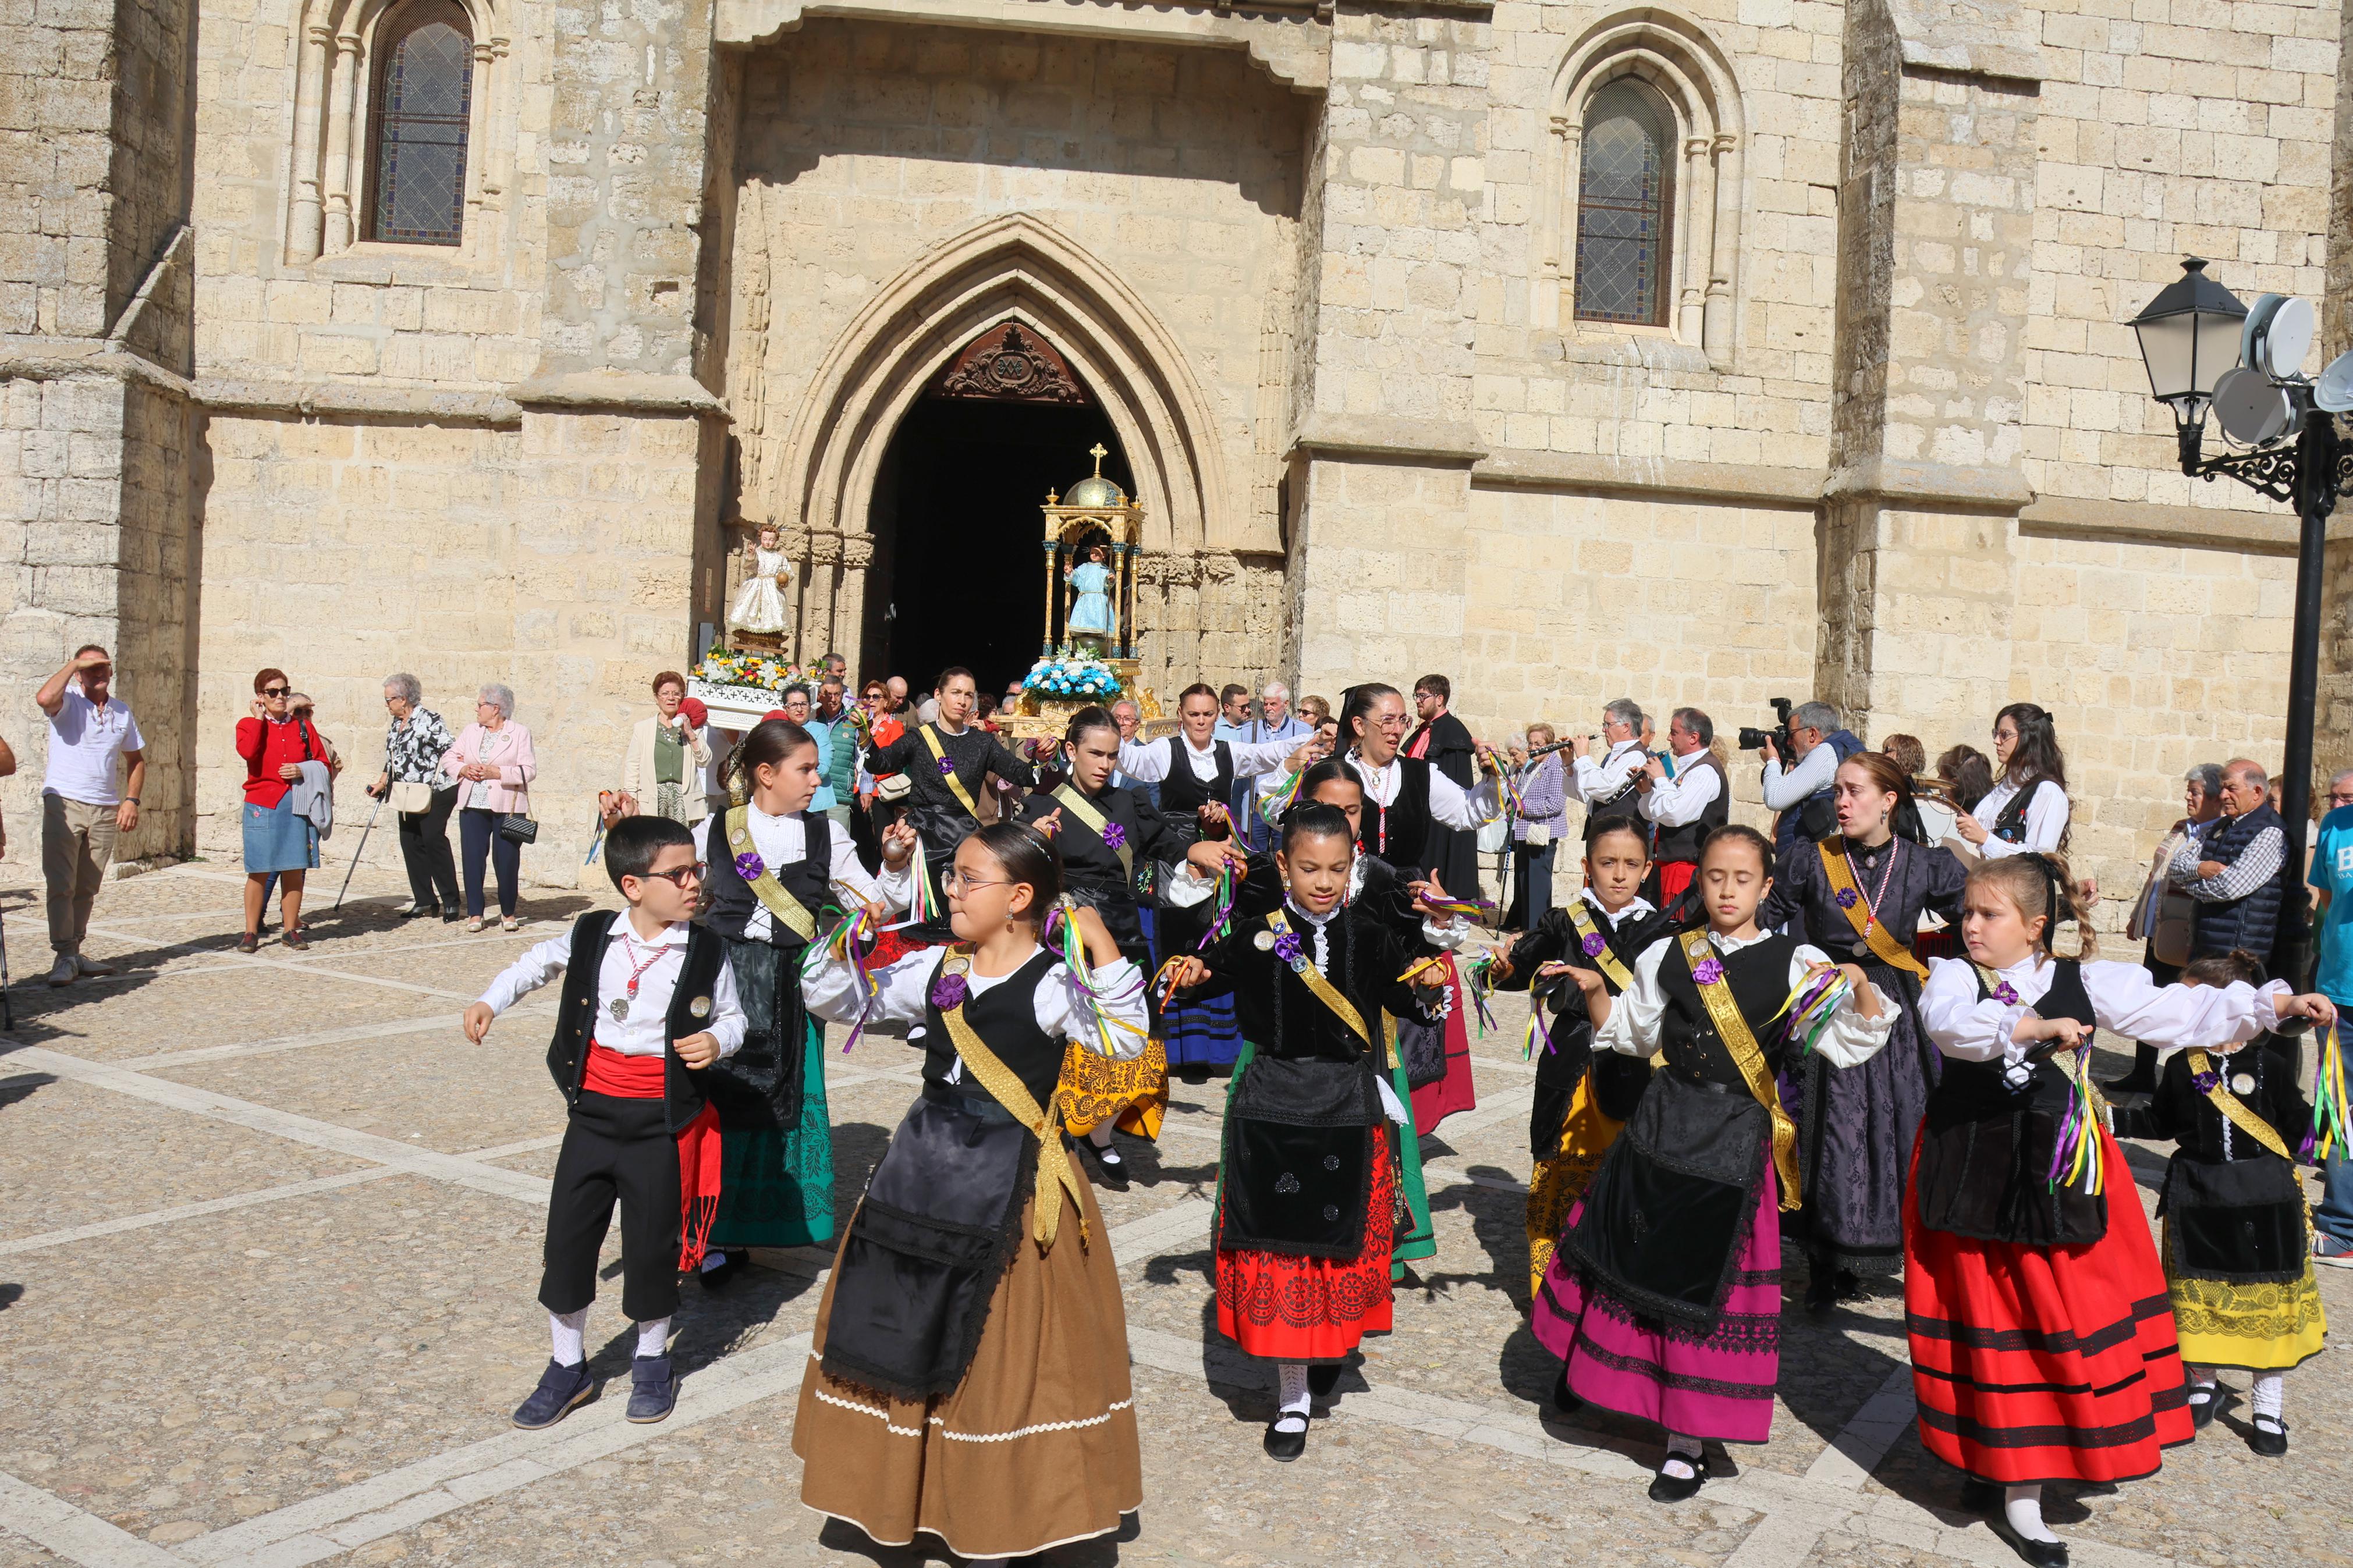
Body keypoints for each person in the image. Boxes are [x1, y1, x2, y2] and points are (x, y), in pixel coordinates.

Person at [1908, 855, 2327, 1566]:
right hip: (1972, 1161)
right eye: (1967, 913)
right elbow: (1948, 1025)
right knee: (1982, 1316)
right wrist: (2029, 1028)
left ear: (2035, 926)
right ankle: (1995, 1467)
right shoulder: (1956, 975)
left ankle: (2023, 1480)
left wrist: (2275, 1006)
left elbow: (2181, 1009)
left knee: (2054, 1315)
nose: (1969, 925)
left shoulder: (2086, 979)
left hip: (2056, 1167)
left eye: (1988, 914)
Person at [793, 823, 1146, 1560]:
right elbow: (826, 995)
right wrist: (854, 935)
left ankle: (1001, 1497)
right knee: (900, 1326)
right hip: (920, 1174)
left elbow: (1124, 1040)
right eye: (950, 876)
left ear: (1019, 898)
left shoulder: (1053, 982)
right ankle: (904, 1490)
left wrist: (1101, 942)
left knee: (1002, 1348)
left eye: (966, 879)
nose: (950, 889)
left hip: (1009, 1184)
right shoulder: (934, 967)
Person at [1531, 826, 1890, 1502]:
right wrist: (1591, 988)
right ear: (1698, 881)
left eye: (1742, 879)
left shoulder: (1794, 960)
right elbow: (1632, 1036)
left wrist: (1861, 982)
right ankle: (1588, 1374)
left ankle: (1685, 1443)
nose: (1727, 890)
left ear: (1766, 885)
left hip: (1733, 1143)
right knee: (1622, 1261)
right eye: (1715, 877)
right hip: (1661, 1129)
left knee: (1700, 1293)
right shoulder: (1669, 951)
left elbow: (1852, 1043)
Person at [1166, 803, 1446, 1461]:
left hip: (1346, 1109)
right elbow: (1213, 977)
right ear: (1284, 866)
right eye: (1308, 867)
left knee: (1338, 1247)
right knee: (1281, 1252)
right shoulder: (1254, 930)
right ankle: (1291, 1396)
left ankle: (1327, 1346)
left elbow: (1414, 1003)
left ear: (1352, 867)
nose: (1323, 881)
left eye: (1337, 868)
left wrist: (1434, 960)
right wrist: (1193, 973)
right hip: (1271, 1107)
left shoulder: (1371, 933)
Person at [464, 815, 746, 1431]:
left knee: (652, 1247)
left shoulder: (704, 948)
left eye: (696, 869)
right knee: (567, 1241)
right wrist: (491, 999)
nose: (694, 882)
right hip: (591, 1116)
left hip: (659, 1121)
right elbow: (537, 961)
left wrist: (717, 1041)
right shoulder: (595, 934)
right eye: (679, 873)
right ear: (633, 885)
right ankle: (568, 1367)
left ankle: (650, 1361)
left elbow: (734, 1016)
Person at [691, 719, 915, 1285]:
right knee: (721, 1102)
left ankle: (770, 1218)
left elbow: (873, 908)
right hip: (724, 984)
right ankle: (712, 1232)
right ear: (765, 774)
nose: (818, 779)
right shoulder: (714, 829)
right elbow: (673, 887)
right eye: (806, 769)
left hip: (792, 989)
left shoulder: (827, 836)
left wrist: (891, 867)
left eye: (817, 768)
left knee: (782, 1104)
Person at [1762, 752, 1968, 1313]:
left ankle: (1880, 1243)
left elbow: (1978, 917)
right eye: (1837, 792)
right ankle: (1824, 1259)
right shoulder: (1811, 858)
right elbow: (1765, 919)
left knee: (1892, 1126)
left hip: (1890, 1006)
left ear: (1889, 800)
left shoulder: (1925, 864)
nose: (1842, 802)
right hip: (1827, 999)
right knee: (1825, 1125)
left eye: (1854, 791)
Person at [2110, 948, 2329, 1458]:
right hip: (2199, 1197)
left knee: (2268, 1301)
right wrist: (2105, 1118)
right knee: (2197, 1296)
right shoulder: (2181, 1066)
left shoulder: (2271, 1065)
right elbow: (2160, 1123)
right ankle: (2202, 1383)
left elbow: (2298, 1127)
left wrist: (2329, 1125)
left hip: (2265, 1198)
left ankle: (2267, 1405)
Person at [1021, 706, 1243, 1182]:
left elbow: (1163, 840)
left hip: (1122, 927)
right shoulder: (1043, 804)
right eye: (1094, 753)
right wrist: (1032, 843)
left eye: (1112, 755)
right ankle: (1053, 1125)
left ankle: (1098, 1133)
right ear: (1070, 751)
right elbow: (1014, 869)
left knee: (1131, 1035)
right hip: (1067, 930)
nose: (1104, 763)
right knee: (1067, 1038)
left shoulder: (1129, 803)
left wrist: (1197, 847)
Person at [1494, 816, 1667, 1301]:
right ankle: (1550, 1286)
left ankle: (1615, 1284)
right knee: (1559, 1165)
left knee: (1624, 1171)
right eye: (1607, 862)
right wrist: (1503, 964)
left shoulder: (1659, 927)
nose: (1618, 874)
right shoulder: (1564, 919)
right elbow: (1521, 966)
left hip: (1631, 1064)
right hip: (1570, 1061)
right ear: (1586, 865)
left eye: (1630, 864)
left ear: (1647, 868)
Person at [1115, 682, 1324, 1076]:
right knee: (1174, 933)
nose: (1200, 721)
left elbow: (1269, 753)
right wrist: (1102, 731)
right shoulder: (1164, 750)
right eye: (1193, 714)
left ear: (1216, 715)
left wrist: (1311, 737)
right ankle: (1170, 1046)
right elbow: (1128, 760)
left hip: (1219, 852)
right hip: (1173, 852)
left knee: (1215, 934)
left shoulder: (1229, 751)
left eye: (1207, 714)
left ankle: (1210, 1046)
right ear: (1181, 714)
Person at [1337, 682, 1500, 1129]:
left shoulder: (1419, 774)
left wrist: (1491, 777)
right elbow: (1286, 817)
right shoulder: (1335, 772)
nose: (1396, 730)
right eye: (1386, 720)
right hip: (1345, 901)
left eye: (1402, 720)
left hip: (1407, 906)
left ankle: (1393, 1128)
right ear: (1358, 724)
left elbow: (1470, 812)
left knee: (1403, 1014)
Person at [860, 667, 1039, 933]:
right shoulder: (920, 738)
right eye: (955, 692)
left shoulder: (983, 742)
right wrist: (865, 735)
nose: (962, 700)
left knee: (963, 918)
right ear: (939, 695)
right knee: (921, 924)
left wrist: (1043, 757)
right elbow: (880, 762)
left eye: (969, 695)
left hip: (964, 836)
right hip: (922, 838)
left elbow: (1022, 773)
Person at [2107, 762, 2227, 1094]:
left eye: (2196, 792)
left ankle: (2194, 1082)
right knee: (2153, 998)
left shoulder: (2221, 836)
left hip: (2185, 933)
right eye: (2188, 791)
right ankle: (2143, 1072)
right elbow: (2157, 873)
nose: (2188, 798)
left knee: (2188, 1003)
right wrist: (2137, 914)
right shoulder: (2181, 828)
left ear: (2216, 798)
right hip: (2161, 930)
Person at [34, 645, 144, 984]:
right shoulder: (68, 702)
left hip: (104, 808)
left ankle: (74, 951)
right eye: (91, 668)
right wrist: (74, 664)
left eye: (103, 668)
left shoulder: (122, 712)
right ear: (80, 672)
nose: (98, 674)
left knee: (88, 886)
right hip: (64, 803)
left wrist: (131, 800)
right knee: (61, 884)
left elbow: (136, 760)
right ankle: (64, 954)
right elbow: (43, 698)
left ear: (111, 672)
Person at [2169, 758, 2292, 980]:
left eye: (2231, 788)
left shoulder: (2271, 832)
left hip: (2238, 956)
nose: (2223, 795)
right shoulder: (2221, 826)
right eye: (2223, 787)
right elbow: (2175, 866)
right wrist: (2200, 869)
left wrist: (2190, 884)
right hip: (2205, 947)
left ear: (2256, 792)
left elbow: (2228, 888)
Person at [236, 668, 331, 954]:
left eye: (284, 691)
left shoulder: (303, 728)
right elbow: (248, 753)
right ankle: (251, 931)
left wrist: (301, 769)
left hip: (297, 804)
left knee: (294, 868)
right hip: (262, 804)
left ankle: (290, 929)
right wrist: (257, 720)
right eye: (273, 692)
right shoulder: (247, 725)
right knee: (259, 870)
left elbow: (324, 764)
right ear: (260, 697)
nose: (280, 697)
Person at [442, 683, 538, 934]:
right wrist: (463, 769)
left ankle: (508, 912)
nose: (477, 709)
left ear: (495, 709)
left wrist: (497, 773)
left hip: (507, 805)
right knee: (473, 859)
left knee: (506, 860)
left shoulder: (519, 733)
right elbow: (449, 757)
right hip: (473, 803)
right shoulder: (471, 731)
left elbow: (529, 771)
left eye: (480, 704)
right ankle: (475, 913)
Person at [2306, 770, 2353, 1267]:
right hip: (2340, 989)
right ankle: (2342, 1225)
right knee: (2340, 1107)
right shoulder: (2337, 826)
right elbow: (2325, 904)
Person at [372, 673, 461, 923]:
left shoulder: (430, 721)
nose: (386, 704)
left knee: (433, 839)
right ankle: (424, 899)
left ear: (403, 699)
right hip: (407, 793)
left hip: (437, 791)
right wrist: (381, 783)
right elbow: (392, 758)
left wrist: (437, 779)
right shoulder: (396, 723)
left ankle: (451, 901)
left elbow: (451, 751)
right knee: (410, 842)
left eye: (389, 700)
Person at [1637, 706, 1727, 906]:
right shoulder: (1689, 769)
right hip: (1672, 865)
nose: (1669, 738)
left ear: (1693, 737)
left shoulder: (1704, 771)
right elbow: (1659, 816)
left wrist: (1660, 779)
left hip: (1687, 869)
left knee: (1681, 932)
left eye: (1674, 732)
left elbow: (1675, 815)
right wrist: (1646, 791)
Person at [1957, 702, 2070, 859]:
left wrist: (1985, 839)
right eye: (1996, 733)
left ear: (2029, 738)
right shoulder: (2005, 788)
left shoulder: (2048, 792)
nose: (1997, 741)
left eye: (2005, 734)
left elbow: (2041, 857)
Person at [1406, 674, 1482, 898]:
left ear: (1439, 699)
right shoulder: (1426, 730)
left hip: (1438, 819)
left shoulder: (1452, 733)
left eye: (1423, 696)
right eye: (1416, 696)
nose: (1418, 701)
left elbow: (1451, 789)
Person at [1761, 701, 1864, 856]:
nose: (1789, 742)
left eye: (1792, 734)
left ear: (1812, 734)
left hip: (1809, 861)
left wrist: (1773, 760)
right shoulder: (1846, 747)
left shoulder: (1825, 753)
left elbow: (1774, 798)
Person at [619, 671, 711, 828]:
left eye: (676, 693)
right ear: (656, 698)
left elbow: (704, 760)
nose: (670, 698)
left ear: (682, 697)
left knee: (681, 848)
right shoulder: (642, 729)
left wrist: (689, 731)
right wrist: (632, 800)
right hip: (653, 804)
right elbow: (632, 768)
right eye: (665, 693)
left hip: (685, 804)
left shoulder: (692, 728)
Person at [1503, 724, 1567, 930]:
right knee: (1525, 881)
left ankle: (1538, 929)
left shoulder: (1556, 767)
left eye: (1538, 743)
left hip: (1543, 833)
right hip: (1525, 831)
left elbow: (1555, 804)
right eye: (1530, 743)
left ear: (1549, 745)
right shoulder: (1531, 766)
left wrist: (1523, 807)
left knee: (1538, 883)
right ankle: (1526, 926)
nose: (1533, 747)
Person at [1239, 681, 1312, 849]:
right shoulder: (1250, 729)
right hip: (1258, 803)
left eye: (1273, 704)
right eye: (1265, 704)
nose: (1268, 708)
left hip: (1285, 802)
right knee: (1257, 854)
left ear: (1285, 704)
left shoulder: (1302, 731)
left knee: (1283, 851)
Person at [1569, 698, 1649, 839]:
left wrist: (1583, 758)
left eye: (1608, 724)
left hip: (1622, 835)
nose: (1604, 729)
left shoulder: (1636, 755)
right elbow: (1588, 794)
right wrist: (1568, 763)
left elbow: (1605, 789)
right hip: (1606, 833)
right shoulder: (1616, 754)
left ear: (1626, 727)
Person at [816, 677, 854, 825]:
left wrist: (866, 790)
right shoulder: (812, 719)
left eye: (837, 694)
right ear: (820, 696)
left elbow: (861, 754)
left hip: (838, 796)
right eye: (828, 694)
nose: (833, 699)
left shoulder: (852, 722)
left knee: (838, 846)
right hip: (812, 794)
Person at [1064, 543, 1115, 655]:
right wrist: (1070, 573)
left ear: (1104, 555)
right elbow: (1076, 579)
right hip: (1085, 600)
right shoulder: (1084, 567)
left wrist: (1110, 581)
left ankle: (1096, 649)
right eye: (1092, 553)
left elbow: (1108, 587)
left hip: (1098, 602)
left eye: (1097, 553)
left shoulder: (1106, 570)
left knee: (1097, 631)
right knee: (1084, 630)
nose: (1094, 555)